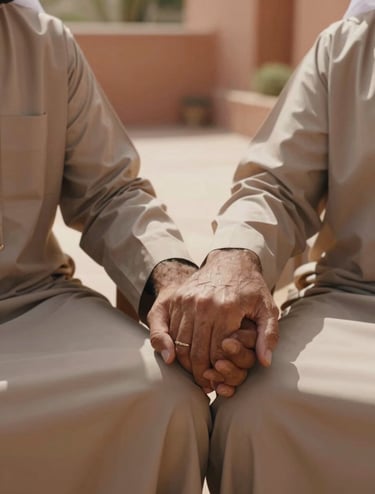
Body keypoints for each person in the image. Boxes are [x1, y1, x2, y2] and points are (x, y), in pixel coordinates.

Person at [0, 1, 258, 492]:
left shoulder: (42, 40)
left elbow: (109, 191)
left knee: (167, 400)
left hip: (29, 300)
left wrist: (173, 279)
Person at [149, 0, 375, 492]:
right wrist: (234, 262)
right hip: (356, 298)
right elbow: (277, 185)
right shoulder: (349, 46)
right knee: (249, 413)